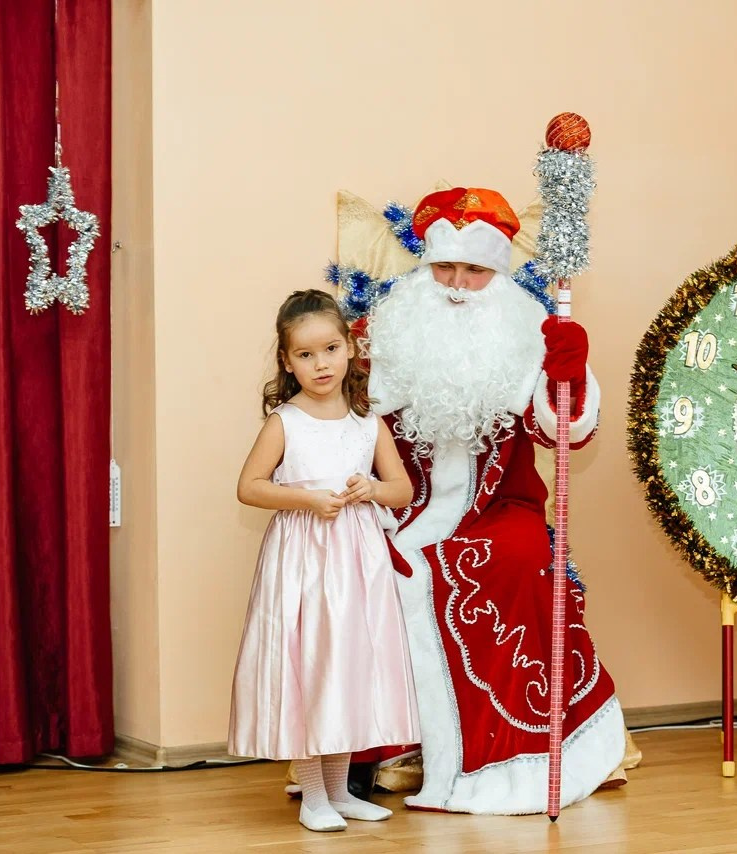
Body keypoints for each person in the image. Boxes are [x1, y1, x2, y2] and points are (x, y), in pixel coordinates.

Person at [362, 187, 626, 814]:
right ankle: (381, 745)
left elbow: (565, 433)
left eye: (476, 270)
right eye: (445, 268)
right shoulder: (391, 331)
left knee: (514, 557)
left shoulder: (528, 334)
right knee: (369, 562)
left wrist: (565, 372)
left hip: (501, 506)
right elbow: (356, 430)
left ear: (499, 275)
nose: (456, 284)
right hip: (400, 502)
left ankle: (509, 758)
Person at [229, 290, 421, 831]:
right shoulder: (285, 423)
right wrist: (308, 499)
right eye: (306, 355)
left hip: (357, 563)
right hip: (304, 563)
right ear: (287, 362)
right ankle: (313, 794)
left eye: (331, 349)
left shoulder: (368, 423)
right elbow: (250, 487)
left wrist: (372, 489)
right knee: (311, 665)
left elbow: (402, 490)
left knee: (348, 668)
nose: (321, 364)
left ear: (350, 349)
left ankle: (340, 792)